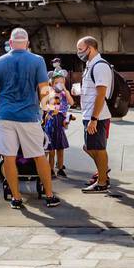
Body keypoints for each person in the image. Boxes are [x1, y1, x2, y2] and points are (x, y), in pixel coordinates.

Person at [0, 28, 59, 208]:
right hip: (29, 116)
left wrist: (4, 103)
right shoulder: (37, 60)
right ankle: (49, 196)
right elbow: (43, 88)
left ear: (10, 43)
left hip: (5, 116)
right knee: (39, 156)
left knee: (9, 158)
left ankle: (16, 198)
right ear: (27, 44)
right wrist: (49, 108)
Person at [77, 35, 117, 192]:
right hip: (89, 114)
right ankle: (103, 172)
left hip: (97, 116)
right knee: (90, 147)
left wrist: (94, 119)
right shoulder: (90, 64)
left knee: (98, 149)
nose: (78, 52)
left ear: (90, 48)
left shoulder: (100, 66)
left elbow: (101, 94)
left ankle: (102, 182)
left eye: (80, 49)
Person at [45, 69, 71, 177]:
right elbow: (45, 105)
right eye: (56, 83)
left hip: (60, 123)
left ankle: (60, 168)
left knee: (60, 148)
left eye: (61, 83)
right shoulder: (49, 92)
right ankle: (50, 169)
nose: (59, 85)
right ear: (51, 83)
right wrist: (50, 109)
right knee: (51, 149)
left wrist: (65, 90)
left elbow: (71, 102)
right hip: (51, 122)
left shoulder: (64, 94)